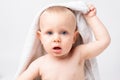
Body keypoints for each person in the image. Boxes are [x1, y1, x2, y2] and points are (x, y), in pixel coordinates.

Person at [17, 5, 110, 80]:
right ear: (40, 37)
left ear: (74, 37)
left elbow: (104, 41)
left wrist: (91, 18)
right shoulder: (39, 64)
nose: (56, 39)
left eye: (64, 32)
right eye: (49, 33)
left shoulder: (78, 54)